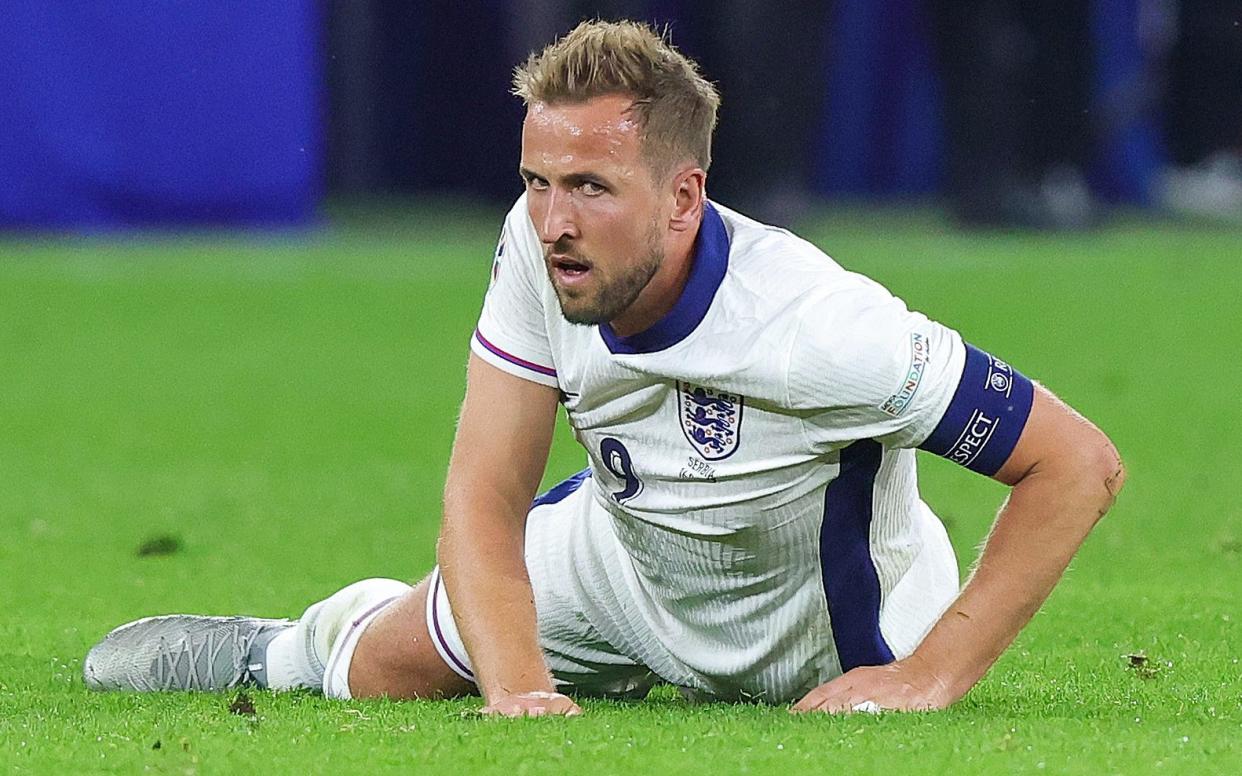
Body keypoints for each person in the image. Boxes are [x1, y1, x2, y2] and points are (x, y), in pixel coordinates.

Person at [83, 20, 1125, 716]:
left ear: (683, 198)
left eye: (589, 184)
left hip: (823, 630)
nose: (553, 220)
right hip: (626, 549)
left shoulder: (821, 326)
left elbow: (1076, 463)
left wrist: (934, 675)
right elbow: (485, 487)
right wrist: (519, 684)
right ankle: (283, 646)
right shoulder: (536, 243)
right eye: (537, 181)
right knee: (377, 668)